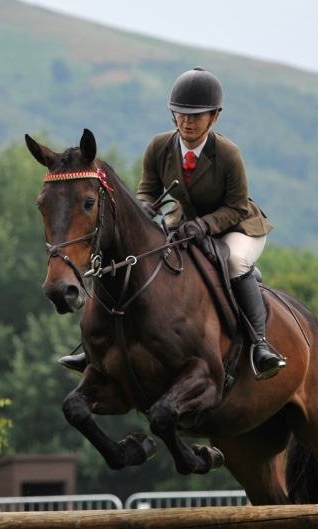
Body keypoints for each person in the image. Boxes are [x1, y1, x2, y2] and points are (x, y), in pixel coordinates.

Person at [61, 66, 285, 380]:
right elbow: (147, 193)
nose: (187, 121)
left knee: (234, 260)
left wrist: (205, 226)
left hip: (238, 225)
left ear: (214, 118)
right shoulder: (159, 147)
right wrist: (144, 213)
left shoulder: (228, 154)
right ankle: (101, 343)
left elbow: (235, 207)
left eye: (196, 115)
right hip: (183, 224)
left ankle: (260, 345)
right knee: (142, 259)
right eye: (181, 113)